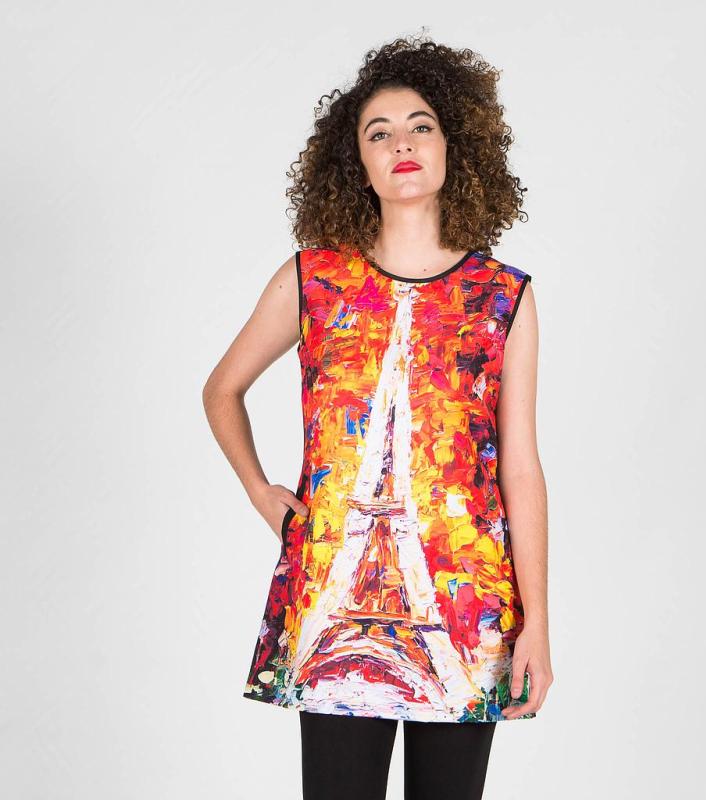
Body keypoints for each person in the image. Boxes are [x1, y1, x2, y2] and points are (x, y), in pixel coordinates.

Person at [203, 34, 552, 800]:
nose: (402, 144)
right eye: (379, 132)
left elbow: (520, 467)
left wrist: (538, 623)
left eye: (421, 126)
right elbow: (222, 388)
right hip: (334, 599)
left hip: (465, 604)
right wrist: (261, 491)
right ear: (354, 163)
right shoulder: (313, 279)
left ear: (455, 146)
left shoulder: (504, 297)